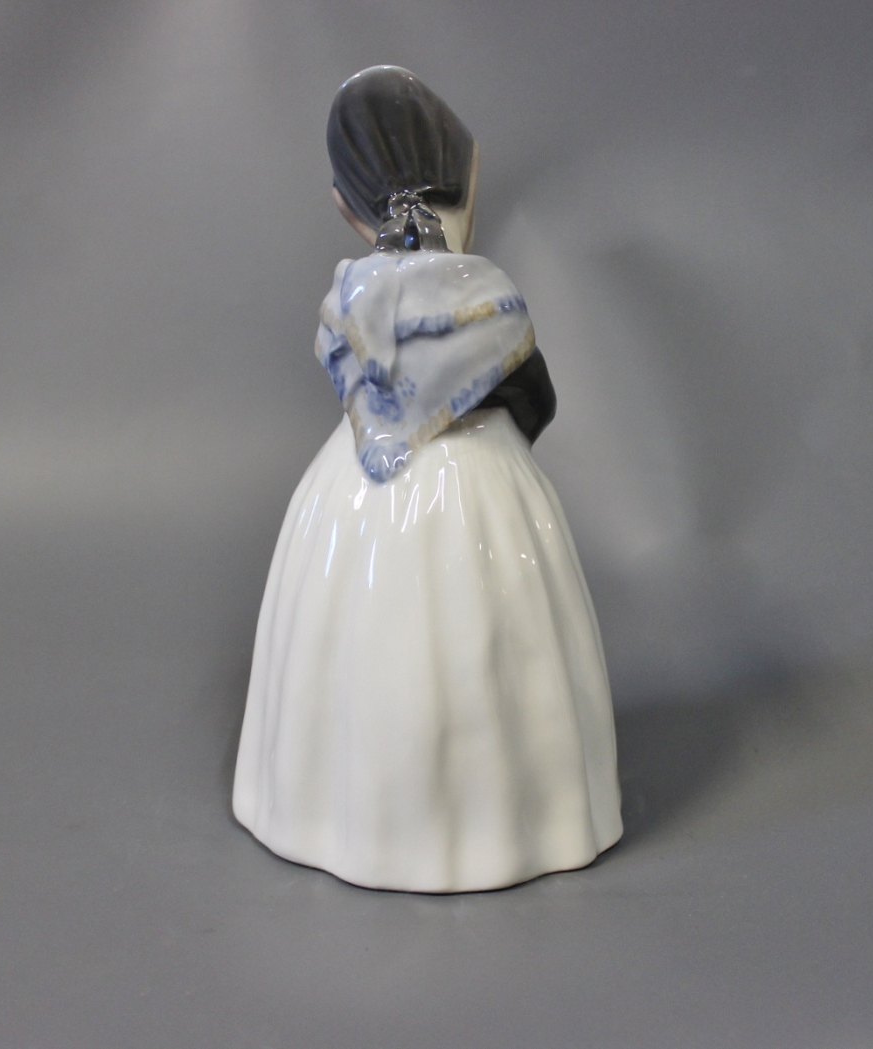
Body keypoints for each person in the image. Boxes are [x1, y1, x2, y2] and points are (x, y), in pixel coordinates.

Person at [232, 66, 622, 892]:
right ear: (464, 182)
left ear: (347, 207)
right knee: (500, 642)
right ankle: (512, 811)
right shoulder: (490, 297)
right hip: (484, 481)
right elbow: (535, 398)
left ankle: (339, 804)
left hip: (355, 480)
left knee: (356, 634)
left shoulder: (349, 303)